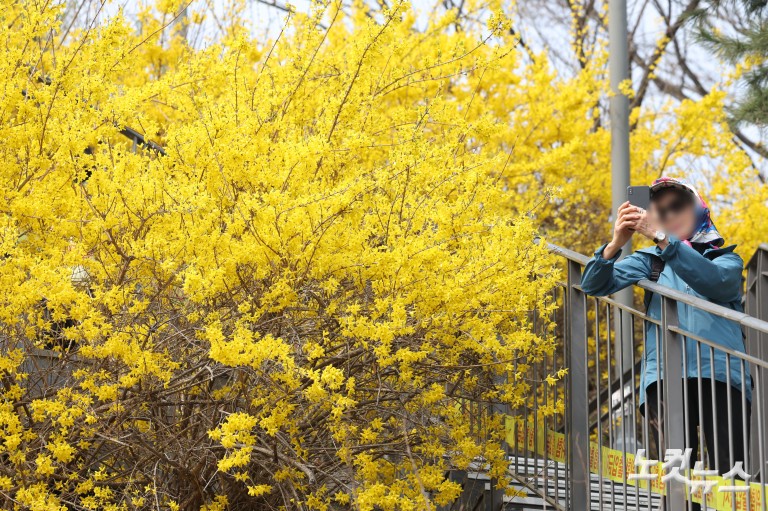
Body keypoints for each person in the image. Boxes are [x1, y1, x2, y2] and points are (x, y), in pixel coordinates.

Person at [580, 177, 752, 497]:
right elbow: (593, 284)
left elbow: (717, 283)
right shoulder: (650, 261)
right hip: (664, 377)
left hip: (720, 374)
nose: (670, 215)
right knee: (676, 477)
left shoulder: (724, 258)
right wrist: (617, 242)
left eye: (678, 205)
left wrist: (661, 238)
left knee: (729, 476)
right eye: (660, 210)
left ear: (698, 206)